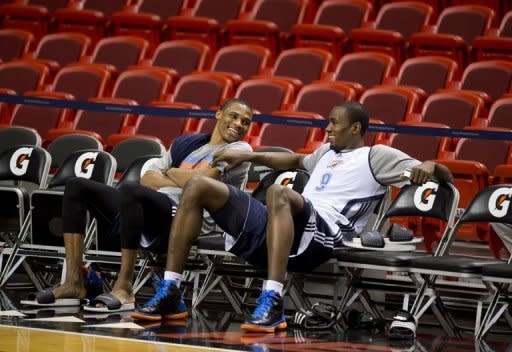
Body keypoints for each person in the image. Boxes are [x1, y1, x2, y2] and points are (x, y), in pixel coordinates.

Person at [131, 101, 453, 330]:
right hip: (287, 222)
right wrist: (251, 154)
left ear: (355, 128)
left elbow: (444, 175)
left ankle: (272, 300)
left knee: (278, 193)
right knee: (199, 186)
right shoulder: (326, 153)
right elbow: (292, 161)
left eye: (334, 123)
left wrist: (431, 166)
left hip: (326, 233)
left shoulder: (376, 156)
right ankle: (172, 291)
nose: (327, 127)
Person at [23, 98, 254, 313]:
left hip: (188, 219)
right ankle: (74, 281)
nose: (238, 124)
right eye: (233, 116)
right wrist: (180, 177)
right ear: (218, 114)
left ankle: (124, 288)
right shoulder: (186, 143)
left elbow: (200, 182)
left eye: (245, 122)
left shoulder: (240, 151)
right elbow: (147, 178)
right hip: (152, 208)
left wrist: (172, 172)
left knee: (131, 191)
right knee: (77, 186)